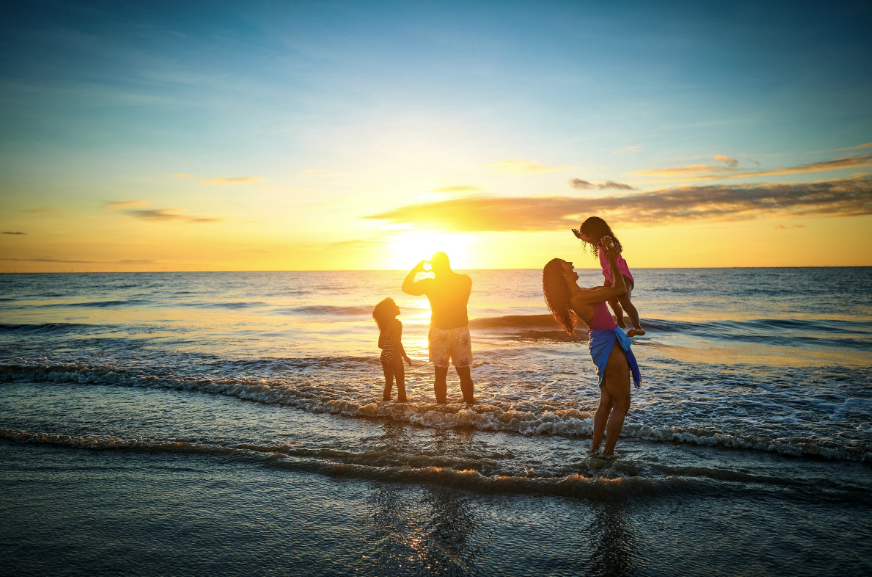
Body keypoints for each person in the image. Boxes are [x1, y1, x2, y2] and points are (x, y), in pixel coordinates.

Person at [542, 242, 642, 457]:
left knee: (607, 402)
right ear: (562, 274)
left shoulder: (582, 294)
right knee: (622, 404)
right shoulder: (579, 297)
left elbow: (611, 288)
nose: (571, 263)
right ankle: (607, 454)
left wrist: (609, 258)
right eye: (565, 264)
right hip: (607, 346)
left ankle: (596, 450)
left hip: (605, 343)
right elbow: (619, 289)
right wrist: (615, 261)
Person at [402, 252, 474, 404]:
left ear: (434, 266)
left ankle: (441, 409)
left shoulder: (430, 283)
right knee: (464, 373)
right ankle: (470, 408)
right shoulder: (464, 280)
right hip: (460, 330)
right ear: (447, 264)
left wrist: (417, 269)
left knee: (440, 375)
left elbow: (406, 287)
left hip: (439, 331)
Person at [573, 216, 645, 337]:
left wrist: (609, 243)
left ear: (596, 231)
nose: (588, 239)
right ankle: (621, 321)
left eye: (588, 234)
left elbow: (613, 246)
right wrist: (580, 236)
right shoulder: (599, 242)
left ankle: (638, 327)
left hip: (623, 276)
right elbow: (588, 240)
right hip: (609, 277)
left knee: (625, 301)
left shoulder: (608, 240)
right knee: (611, 302)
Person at [372, 297, 412, 402]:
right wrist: (405, 356)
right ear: (390, 310)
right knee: (400, 383)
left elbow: (380, 345)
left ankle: (385, 406)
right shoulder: (397, 323)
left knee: (389, 383)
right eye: (395, 306)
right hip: (394, 355)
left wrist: (388, 345)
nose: (398, 307)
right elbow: (397, 342)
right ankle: (403, 407)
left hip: (384, 356)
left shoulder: (384, 325)